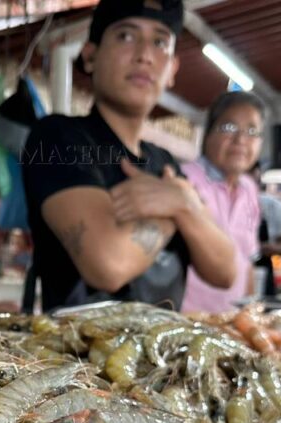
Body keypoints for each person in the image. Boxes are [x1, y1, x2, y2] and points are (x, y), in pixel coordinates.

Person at [21, 0, 235, 312]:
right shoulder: (57, 139)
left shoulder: (165, 162)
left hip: (162, 353)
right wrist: (178, 208)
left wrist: (185, 206)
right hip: (77, 355)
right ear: (91, 55)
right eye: (125, 36)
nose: (145, 55)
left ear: (172, 69)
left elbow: (225, 270)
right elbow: (109, 265)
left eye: (160, 42)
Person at [181, 92, 267, 313]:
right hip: (182, 319)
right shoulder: (184, 181)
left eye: (252, 131)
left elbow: (246, 260)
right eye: (229, 128)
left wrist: (249, 312)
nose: (240, 140)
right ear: (208, 134)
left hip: (230, 322)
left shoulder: (249, 189)